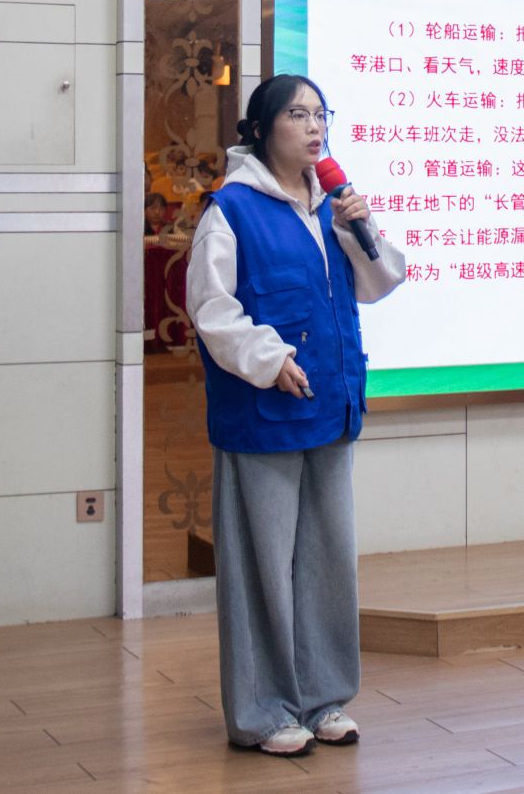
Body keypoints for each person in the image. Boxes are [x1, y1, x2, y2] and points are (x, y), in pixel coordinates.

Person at [185, 74, 406, 758]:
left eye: (321, 114)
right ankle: (263, 711)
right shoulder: (232, 209)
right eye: (298, 114)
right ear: (261, 129)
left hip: (330, 407)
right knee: (260, 569)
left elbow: (382, 282)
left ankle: (323, 698)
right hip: (262, 413)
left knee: (327, 561)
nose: (315, 127)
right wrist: (268, 356)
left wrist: (358, 231)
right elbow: (212, 309)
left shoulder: (334, 204)